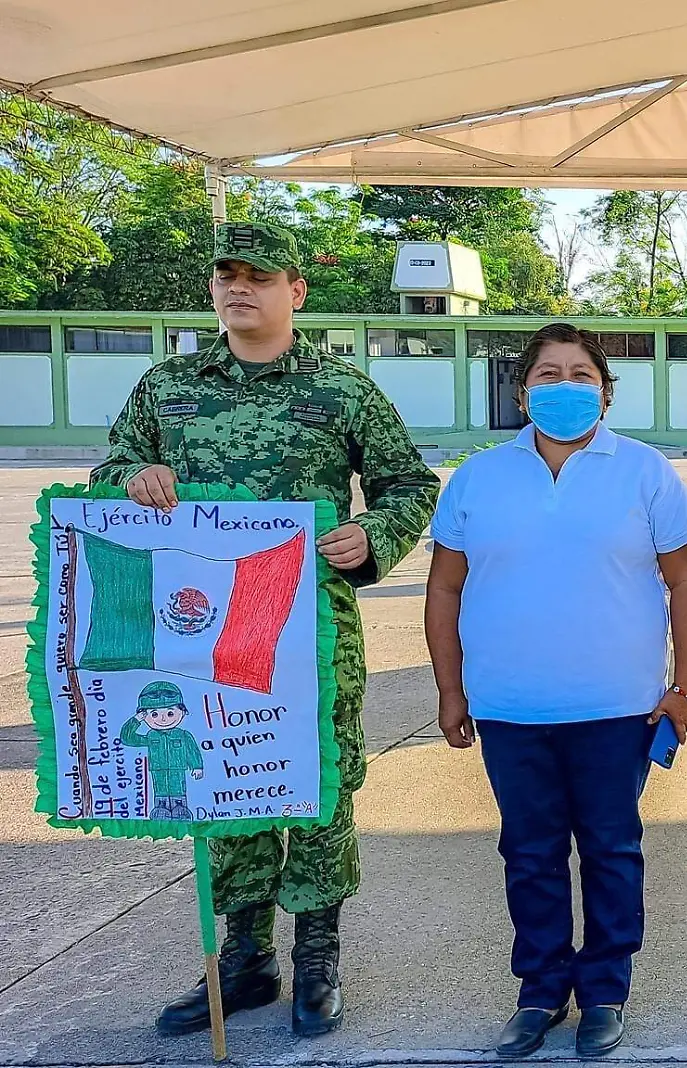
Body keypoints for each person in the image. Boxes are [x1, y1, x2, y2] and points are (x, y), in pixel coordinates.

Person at [92, 221, 439, 1038]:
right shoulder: (166, 387)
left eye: (259, 275)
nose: (239, 287)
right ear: (212, 288)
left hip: (308, 632)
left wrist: (374, 538)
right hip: (199, 637)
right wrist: (131, 476)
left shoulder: (342, 389)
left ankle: (319, 956)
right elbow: (109, 469)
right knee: (223, 780)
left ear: (296, 290)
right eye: (226, 275)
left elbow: (407, 482)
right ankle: (245, 961)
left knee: (316, 787)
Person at [425, 323, 687, 1059]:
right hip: (510, 708)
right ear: (523, 393)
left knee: (613, 848)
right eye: (547, 375)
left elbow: (685, 582)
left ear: (606, 392)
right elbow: (445, 586)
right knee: (529, 852)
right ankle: (541, 991)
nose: (564, 387)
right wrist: (451, 691)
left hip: (619, 707)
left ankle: (606, 990)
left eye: (581, 375)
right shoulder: (478, 478)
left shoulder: (645, 473)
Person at [120, 681, 203, 822]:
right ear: (145, 715)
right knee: (160, 789)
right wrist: (136, 720)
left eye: (170, 713)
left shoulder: (183, 735)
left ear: (182, 712)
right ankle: (161, 808)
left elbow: (192, 750)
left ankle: (180, 808)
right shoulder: (152, 736)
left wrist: (197, 766)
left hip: (178, 770)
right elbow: (128, 738)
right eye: (154, 714)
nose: (163, 719)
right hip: (158, 770)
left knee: (178, 789)